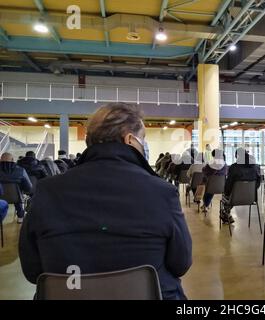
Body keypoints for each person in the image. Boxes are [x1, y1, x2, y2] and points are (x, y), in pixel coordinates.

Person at [19, 102, 192, 300]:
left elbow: (33, 271)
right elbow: (181, 264)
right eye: (142, 139)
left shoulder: (47, 190)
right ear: (129, 139)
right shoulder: (163, 192)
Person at [220, 148, 260, 224]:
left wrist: (226, 193)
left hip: (235, 198)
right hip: (251, 198)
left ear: (237, 156)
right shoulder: (256, 167)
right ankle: (226, 214)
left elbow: (228, 185)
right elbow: (258, 183)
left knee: (226, 196)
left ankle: (226, 213)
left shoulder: (234, 167)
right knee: (232, 195)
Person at [0, 153, 32, 223]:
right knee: (19, 193)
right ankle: (20, 216)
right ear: (12, 160)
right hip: (16, 198)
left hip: (0, 199)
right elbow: (29, 187)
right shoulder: (21, 170)